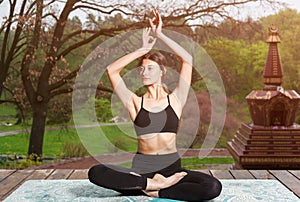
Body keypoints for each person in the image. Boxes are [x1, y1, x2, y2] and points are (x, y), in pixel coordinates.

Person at [88, 10, 222, 201]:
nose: (144, 72)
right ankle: (151, 185)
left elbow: (188, 60)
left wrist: (160, 35)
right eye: (141, 69)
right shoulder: (135, 102)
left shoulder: (176, 99)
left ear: (162, 72)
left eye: (150, 68)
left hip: (172, 171)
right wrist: (142, 50)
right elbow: (112, 70)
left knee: (212, 187)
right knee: (96, 172)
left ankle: (159, 190)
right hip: (142, 172)